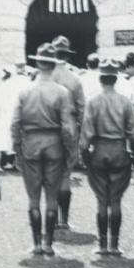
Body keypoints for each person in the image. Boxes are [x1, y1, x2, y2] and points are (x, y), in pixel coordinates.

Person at [11, 43, 75, 257]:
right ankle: (48, 244)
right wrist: (70, 151)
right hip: (54, 143)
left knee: (33, 198)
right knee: (51, 198)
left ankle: (37, 244)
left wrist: (17, 149)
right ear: (54, 65)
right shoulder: (62, 93)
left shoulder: (24, 91)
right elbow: (67, 127)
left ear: (37, 64)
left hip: (31, 144)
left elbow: (15, 124)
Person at [81, 58, 134, 257]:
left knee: (101, 201)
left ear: (101, 79)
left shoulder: (93, 102)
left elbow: (86, 132)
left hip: (99, 149)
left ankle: (103, 244)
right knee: (116, 200)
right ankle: (114, 245)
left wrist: (84, 154)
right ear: (116, 79)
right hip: (119, 150)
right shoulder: (125, 101)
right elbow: (132, 131)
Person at [49, 36, 85, 231]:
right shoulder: (74, 78)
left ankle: (51, 218)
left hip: (46, 128)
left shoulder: (44, 76)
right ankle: (63, 219)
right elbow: (81, 108)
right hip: (68, 128)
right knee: (65, 175)